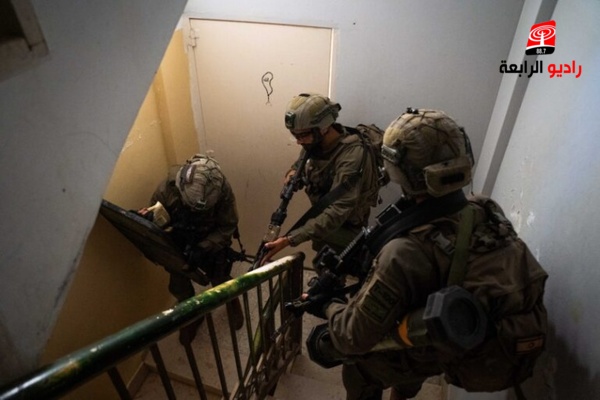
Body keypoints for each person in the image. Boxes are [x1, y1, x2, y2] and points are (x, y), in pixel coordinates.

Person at [304, 109, 548, 400]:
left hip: (427, 344)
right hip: (448, 337)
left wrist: (327, 304)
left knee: (357, 369)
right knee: (416, 357)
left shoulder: (404, 253)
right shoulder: (483, 209)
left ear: (398, 170)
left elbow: (353, 337)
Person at [262, 93, 381, 263]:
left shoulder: (352, 156)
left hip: (346, 229)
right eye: (295, 136)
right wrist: (293, 174)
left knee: (336, 267)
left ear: (324, 128)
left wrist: (290, 239)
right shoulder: (313, 142)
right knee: (322, 259)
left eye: (302, 135)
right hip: (323, 223)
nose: (299, 141)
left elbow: (338, 211)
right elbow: (300, 164)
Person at [139, 154, 244, 343]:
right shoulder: (165, 191)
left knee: (220, 278)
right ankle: (191, 315)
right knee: (179, 285)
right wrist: (149, 222)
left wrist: (204, 247)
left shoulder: (221, 188)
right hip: (178, 242)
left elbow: (228, 225)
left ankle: (231, 301)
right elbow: (157, 223)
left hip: (211, 241)